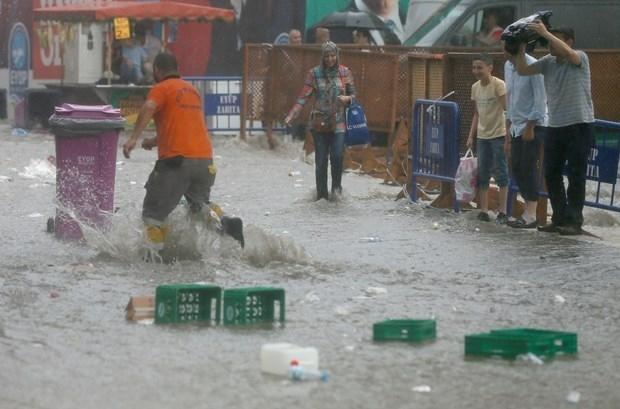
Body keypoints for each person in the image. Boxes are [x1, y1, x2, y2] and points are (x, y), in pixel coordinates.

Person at [122, 52, 244, 253]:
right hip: (205, 161)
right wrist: (153, 141)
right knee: (199, 206)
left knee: (152, 214)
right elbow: (183, 126)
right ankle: (225, 222)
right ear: (177, 69)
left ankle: (155, 256)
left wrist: (133, 138)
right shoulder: (192, 90)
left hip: (176, 162)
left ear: (157, 70)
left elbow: (149, 106)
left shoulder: (161, 88)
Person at [515, 24, 595, 235]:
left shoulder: (579, 57)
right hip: (556, 125)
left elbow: (570, 55)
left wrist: (545, 32)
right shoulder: (548, 62)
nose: (549, 43)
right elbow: (523, 70)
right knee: (551, 173)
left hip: (579, 124)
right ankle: (559, 217)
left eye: (554, 39)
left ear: (568, 41)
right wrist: (521, 48)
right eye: (548, 40)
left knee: (576, 174)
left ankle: (574, 221)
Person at [284, 41, 356, 201]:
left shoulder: (345, 73)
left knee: (337, 156)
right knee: (321, 161)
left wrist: (347, 99)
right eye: (327, 56)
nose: (330, 59)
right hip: (319, 123)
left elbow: (354, 97)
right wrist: (291, 115)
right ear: (322, 58)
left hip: (339, 123)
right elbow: (303, 98)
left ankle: (336, 193)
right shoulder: (314, 73)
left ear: (337, 56)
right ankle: (321, 197)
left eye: (332, 56)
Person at [504, 44, 547, 228]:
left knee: (528, 166)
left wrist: (530, 125)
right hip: (516, 124)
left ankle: (531, 212)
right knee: (516, 166)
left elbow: (540, 99)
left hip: (533, 125)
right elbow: (510, 96)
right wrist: (508, 128)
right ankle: (528, 209)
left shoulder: (534, 66)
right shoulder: (508, 66)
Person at [467, 53, 509, 224]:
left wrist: (508, 136)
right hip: (482, 136)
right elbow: (476, 113)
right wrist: (471, 135)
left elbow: (507, 110)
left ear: (490, 68)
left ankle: (503, 210)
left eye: (480, 67)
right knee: (482, 172)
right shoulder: (475, 87)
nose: (477, 71)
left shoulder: (499, 85)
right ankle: (483, 210)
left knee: (501, 171)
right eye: (474, 67)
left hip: (498, 134)